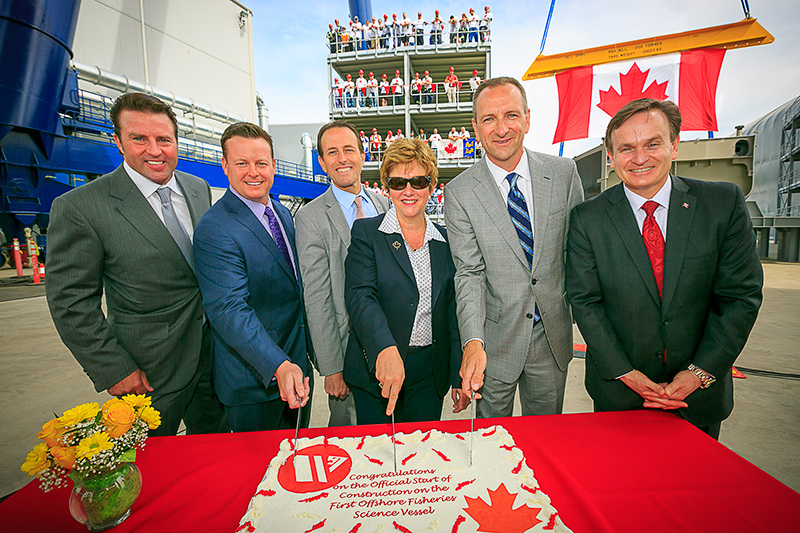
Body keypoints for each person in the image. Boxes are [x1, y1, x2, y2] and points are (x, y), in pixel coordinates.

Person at [565, 99, 763, 439]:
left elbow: (739, 297)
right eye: (626, 148)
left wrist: (698, 373)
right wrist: (626, 373)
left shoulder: (723, 204)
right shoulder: (587, 218)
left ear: (674, 146)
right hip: (620, 393)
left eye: (652, 144)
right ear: (611, 157)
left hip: (698, 396)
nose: (640, 158)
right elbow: (585, 302)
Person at [45, 92, 228, 437]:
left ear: (176, 141)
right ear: (118, 141)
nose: (155, 150)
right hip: (147, 370)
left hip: (213, 361)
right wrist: (114, 369)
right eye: (139, 139)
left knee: (213, 453)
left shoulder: (197, 187)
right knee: (147, 468)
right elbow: (71, 302)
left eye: (164, 139)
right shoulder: (82, 207)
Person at [444, 77, 584, 418]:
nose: (501, 128)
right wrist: (473, 342)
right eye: (489, 119)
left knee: (547, 442)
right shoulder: (459, 192)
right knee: (495, 444)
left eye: (511, 115)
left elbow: (579, 257)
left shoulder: (564, 172)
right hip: (494, 342)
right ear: (475, 127)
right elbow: (469, 274)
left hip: (551, 338)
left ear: (528, 119)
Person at [193, 122, 312, 432]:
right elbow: (228, 309)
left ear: (273, 165)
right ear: (225, 166)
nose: (253, 172)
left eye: (261, 163)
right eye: (241, 163)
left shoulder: (281, 213)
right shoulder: (215, 227)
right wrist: (278, 365)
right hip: (254, 384)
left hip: (296, 371)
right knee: (258, 474)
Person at [344, 138, 468, 423]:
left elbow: (452, 311)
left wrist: (457, 372)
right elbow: (361, 297)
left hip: (429, 376)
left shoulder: (446, 241)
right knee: (377, 458)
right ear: (387, 188)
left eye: (418, 181)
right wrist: (383, 349)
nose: (408, 191)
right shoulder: (367, 234)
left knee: (423, 458)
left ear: (432, 186)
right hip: (377, 369)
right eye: (398, 183)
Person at [295, 121, 390, 427]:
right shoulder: (311, 218)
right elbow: (317, 297)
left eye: (349, 149)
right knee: (348, 440)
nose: (342, 158)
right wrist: (332, 367)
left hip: (389, 343)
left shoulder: (385, 205)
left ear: (363, 156)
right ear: (321, 162)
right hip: (346, 350)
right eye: (332, 152)